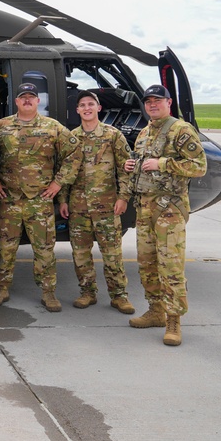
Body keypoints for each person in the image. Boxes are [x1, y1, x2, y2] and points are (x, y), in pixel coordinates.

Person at [123, 84, 206, 346]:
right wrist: (132, 166)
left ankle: (173, 320)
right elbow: (143, 166)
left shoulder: (180, 130)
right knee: (147, 264)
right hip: (145, 209)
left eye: (158, 100)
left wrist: (163, 163)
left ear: (169, 103)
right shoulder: (145, 132)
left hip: (169, 210)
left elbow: (199, 166)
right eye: (148, 101)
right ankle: (156, 311)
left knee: (170, 267)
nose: (152, 105)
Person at [0, 83, 81, 312]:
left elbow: (74, 153)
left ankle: (48, 292)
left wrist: (58, 183)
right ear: (16, 101)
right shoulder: (2, 126)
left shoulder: (53, 127)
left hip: (39, 201)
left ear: (38, 101)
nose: (27, 100)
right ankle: (1, 288)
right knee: (5, 247)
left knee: (44, 248)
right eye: (23, 97)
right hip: (9, 199)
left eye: (32, 97)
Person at [58, 90, 135, 314]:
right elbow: (65, 171)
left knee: (112, 254)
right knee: (80, 254)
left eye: (91, 104)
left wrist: (123, 197)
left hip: (107, 207)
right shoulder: (71, 137)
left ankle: (119, 296)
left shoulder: (113, 136)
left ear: (98, 108)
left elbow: (125, 169)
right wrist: (63, 200)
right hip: (78, 207)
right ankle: (87, 293)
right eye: (83, 105)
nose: (87, 108)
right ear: (77, 110)